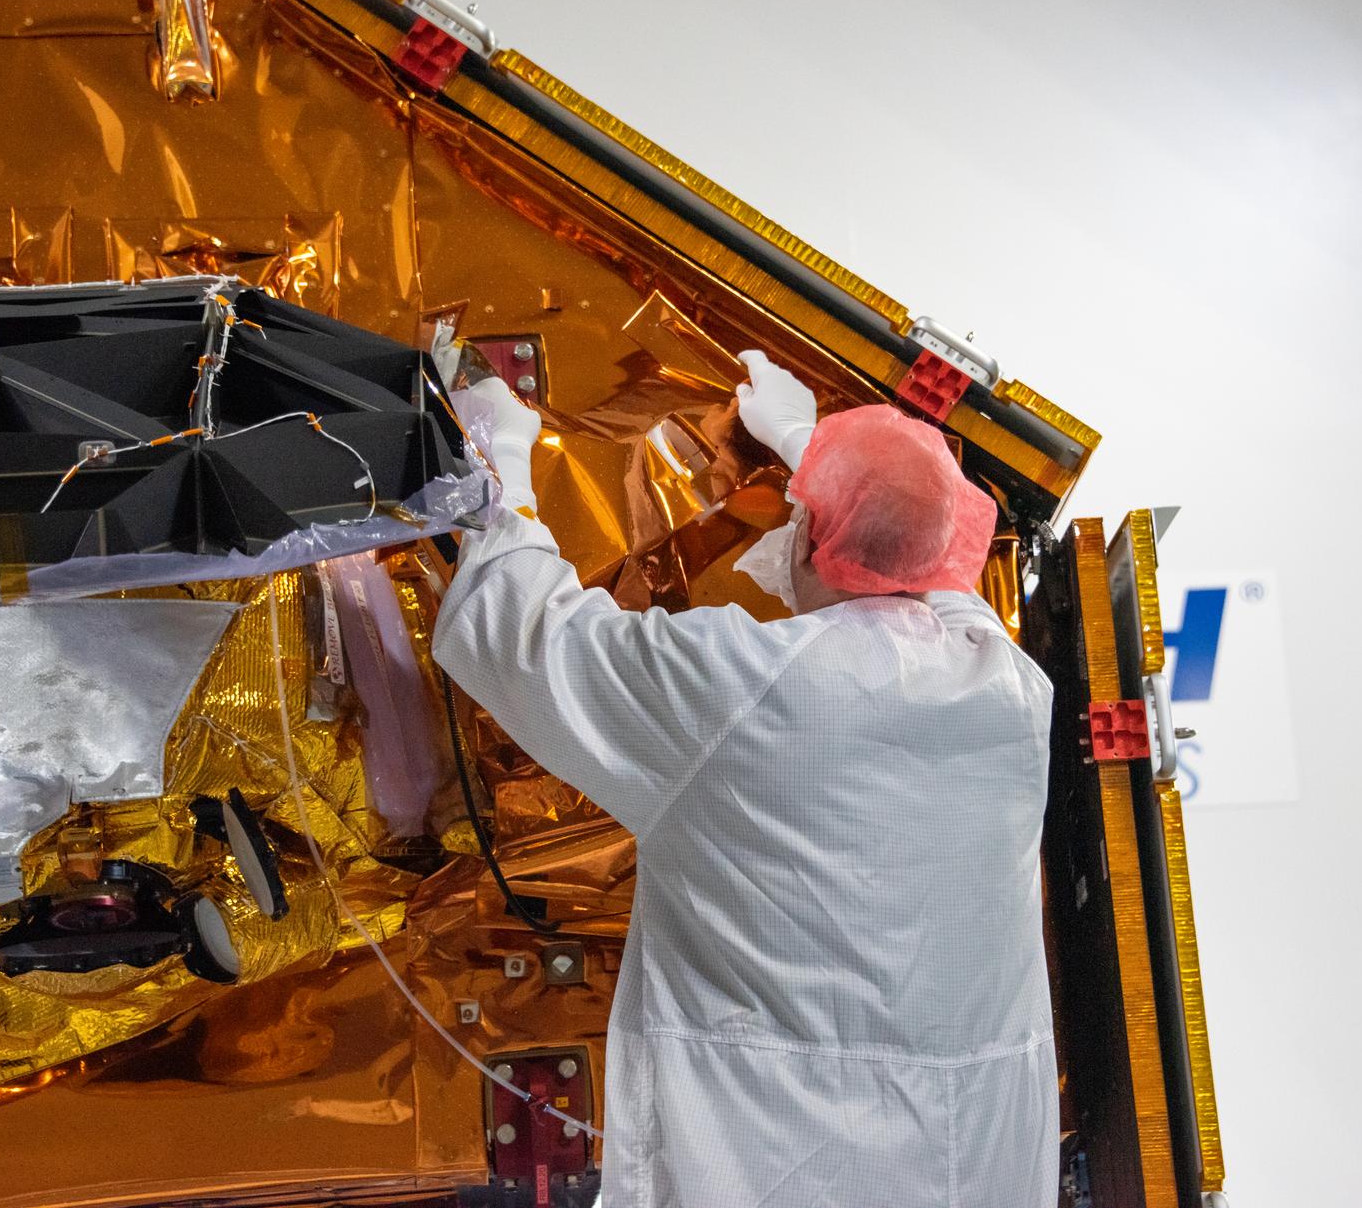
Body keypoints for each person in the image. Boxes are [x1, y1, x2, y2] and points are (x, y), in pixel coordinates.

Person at [431, 351, 1058, 1207]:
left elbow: (529, 638)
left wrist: (496, 459)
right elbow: (931, 570)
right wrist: (815, 451)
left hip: (773, 1164)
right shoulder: (1010, 695)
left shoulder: (742, 689)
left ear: (805, 534)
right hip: (972, 1168)